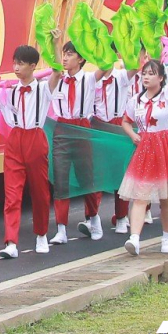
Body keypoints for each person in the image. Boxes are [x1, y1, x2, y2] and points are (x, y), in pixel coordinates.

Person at [0, 44, 52, 259]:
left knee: (40, 192)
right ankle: (11, 242)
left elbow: (57, 72)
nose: (16, 67)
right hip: (14, 139)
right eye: (14, 63)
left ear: (33, 66)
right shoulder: (9, 90)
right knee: (12, 194)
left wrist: (53, 44)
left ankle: (41, 235)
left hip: (35, 138)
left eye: (21, 63)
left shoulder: (44, 88)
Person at [116, 59, 168, 256]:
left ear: (161, 78)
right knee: (140, 195)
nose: (146, 77)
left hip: (166, 148)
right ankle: (134, 238)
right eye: (144, 73)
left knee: (166, 197)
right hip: (145, 149)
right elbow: (125, 121)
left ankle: (167, 237)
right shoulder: (136, 100)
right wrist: (133, 135)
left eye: (151, 73)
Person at [45, 43, 103, 244]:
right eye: (64, 54)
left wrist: (95, 38)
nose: (65, 58)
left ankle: (94, 219)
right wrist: (55, 42)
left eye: (70, 54)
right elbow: (51, 70)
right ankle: (61, 229)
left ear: (80, 59)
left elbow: (106, 64)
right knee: (61, 179)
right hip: (62, 128)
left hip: (82, 127)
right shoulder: (56, 79)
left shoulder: (89, 78)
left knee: (86, 177)